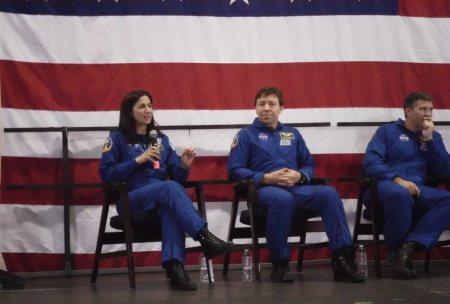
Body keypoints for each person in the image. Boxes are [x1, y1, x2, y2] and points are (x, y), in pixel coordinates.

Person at [100, 90, 233, 291]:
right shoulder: (117, 138)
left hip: (161, 198)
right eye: (142, 106)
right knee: (170, 188)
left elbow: (177, 177)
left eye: (150, 106)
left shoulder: (160, 139)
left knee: (170, 206)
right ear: (129, 111)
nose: (148, 110)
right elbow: (107, 174)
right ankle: (204, 237)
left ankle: (175, 268)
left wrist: (184, 164)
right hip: (131, 198)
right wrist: (137, 160)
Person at [228, 87, 363, 283]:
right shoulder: (245, 135)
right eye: (261, 104)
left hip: (296, 190)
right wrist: (266, 178)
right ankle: (280, 264)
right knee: (281, 198)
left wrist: (299, 175)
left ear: (281, 108)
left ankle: (342, 260)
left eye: (272, 104)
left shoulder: (292, 134)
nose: (266, 108)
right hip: (264, 193)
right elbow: (235, 170)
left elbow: (309, 164)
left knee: (329, 194)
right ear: (255, 108)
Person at [363, 92, 450, 279]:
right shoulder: (387, 132)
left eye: (430, 109)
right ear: (408, 110)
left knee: (447, 200)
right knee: (399, 194)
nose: (428, 114)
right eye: (422, 109)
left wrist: (431, 140)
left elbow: (445, 172)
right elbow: (371, 163)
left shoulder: (433, 137)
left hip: (418, 189)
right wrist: (397, 179)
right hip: (384, 185)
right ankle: (395, 249)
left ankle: (407, 249)